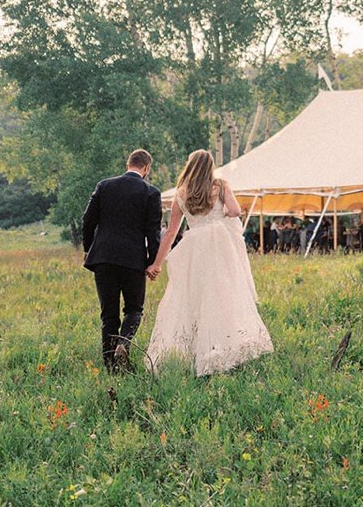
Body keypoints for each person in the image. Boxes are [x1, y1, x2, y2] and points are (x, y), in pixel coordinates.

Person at [145, 149, 273, 376]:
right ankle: (223, 349)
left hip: (194, 248)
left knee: (194, 297)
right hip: (219, 246)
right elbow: (235, 211)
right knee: (223, 295)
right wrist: (221, 212)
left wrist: (157, 263)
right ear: (210, 167)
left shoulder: (181, 193)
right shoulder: (220, 186)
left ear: (190, 166)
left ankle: (191, 352)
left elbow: (171, 232)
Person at [82, 148, 163, 372]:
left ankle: (111, 368)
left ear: (128, 164)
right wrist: (152, 261)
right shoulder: (151, 193)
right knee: (134, 310)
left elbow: (88, 220)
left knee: (109, 315)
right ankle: (123, 343)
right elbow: (153, 232)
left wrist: (88, 249)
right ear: (146, 168)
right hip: (132, 260)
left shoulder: (104, 185)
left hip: (103, 258)